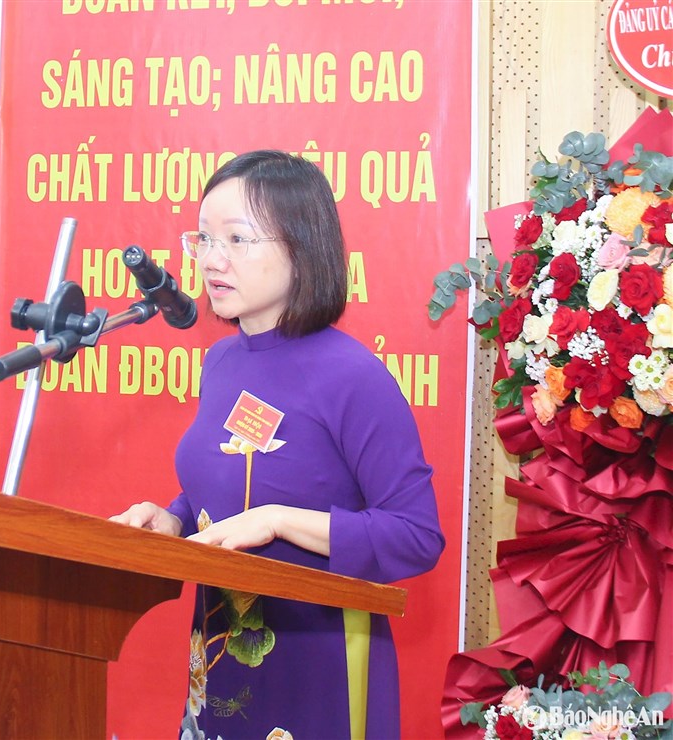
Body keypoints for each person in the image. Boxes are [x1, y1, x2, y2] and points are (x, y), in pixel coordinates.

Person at [111, 150, 444, 739]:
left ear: (301, 246)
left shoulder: (353, 376)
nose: (212, 260)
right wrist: (173, 520)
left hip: (319, 666)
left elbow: (416, 536)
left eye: (237, 239)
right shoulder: (221, 361)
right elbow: (226, 485)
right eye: (204, 239)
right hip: (220, 656)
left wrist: (280, 521)